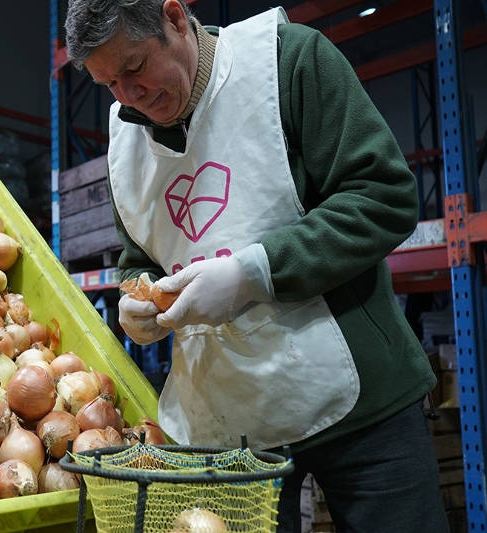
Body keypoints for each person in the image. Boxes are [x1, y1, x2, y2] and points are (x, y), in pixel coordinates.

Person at [64, 1, 449, 531]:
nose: (130, 97)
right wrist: (141, 296)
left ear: (175, 19)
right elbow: (142, 253)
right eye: (109, 83)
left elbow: (382, 196)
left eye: (134, 68)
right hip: (225, 426)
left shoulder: (287, 62)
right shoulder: (125, 135)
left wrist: (256, 272)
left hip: (359, 407)